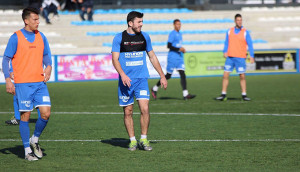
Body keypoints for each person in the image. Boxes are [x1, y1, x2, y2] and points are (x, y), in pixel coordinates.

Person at [112, 11, 167, 151]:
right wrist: (123, 75)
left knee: (145, 108)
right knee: (128, 111)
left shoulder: (145, 37)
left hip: (141, 79)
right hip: (126, 81)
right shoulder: (119, 38)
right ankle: (132, 141)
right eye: (139, 22)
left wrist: (162, 75)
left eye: (142, 22)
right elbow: (115, 59)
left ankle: (143, 139)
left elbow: (152, 57)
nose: (141, 24)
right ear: (130, 23)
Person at [2, 7, 52, 161]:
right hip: (23, 84)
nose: (38, 22)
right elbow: (6, 59)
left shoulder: (41, 36)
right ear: (26, 20)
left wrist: (49, 67)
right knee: (25, 116)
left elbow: (46, 55)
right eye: (35, 19)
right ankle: (26, 152)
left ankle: (34, 140)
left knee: (46, 113)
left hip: (39, 83)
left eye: (38, 19)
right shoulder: (16, 37)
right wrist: (8, 79)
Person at [151, 19, 195, 100]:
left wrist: (181, 50)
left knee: (182, 74)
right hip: (172, 57)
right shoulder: (172, 33)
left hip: (179, 57)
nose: (179, 26)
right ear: (174, 25)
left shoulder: (180, 34)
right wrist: (179, 49)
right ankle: (154, 88)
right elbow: (169, 46)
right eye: (177, 24)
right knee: (168, 76)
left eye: (180, 24)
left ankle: (185, 94)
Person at [215, 14, 254, 101]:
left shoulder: (245, 32)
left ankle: (244, 95)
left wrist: (252, 56)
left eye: (241, 20)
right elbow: (226, 42)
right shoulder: (229, 31)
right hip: (230, 57)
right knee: (225, 75)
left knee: (242, 76)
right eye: (238, 20)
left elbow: (250, 45)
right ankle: (223, 94)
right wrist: (225, 51)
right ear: (235, 21)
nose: (239, 21)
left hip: (240, 57)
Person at [5, 61, 41, 125]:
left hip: (31, 73)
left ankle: (41, 118)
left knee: (35, 95)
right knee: (17, 95)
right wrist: (12, 71)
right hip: (22, 73)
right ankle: (18, 118)